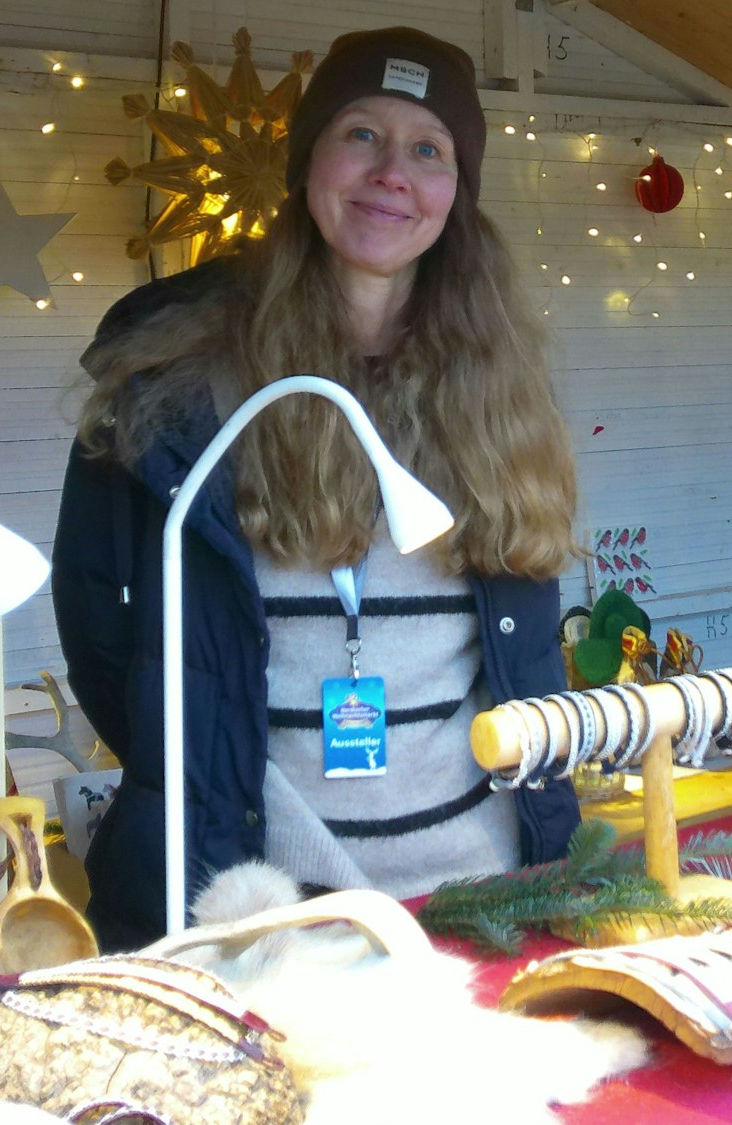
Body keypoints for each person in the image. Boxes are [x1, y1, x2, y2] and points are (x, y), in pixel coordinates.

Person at [53, 27, 582, 949]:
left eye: (428, 149)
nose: (392, 172)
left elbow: (523, 642)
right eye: (361, 135)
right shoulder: (178, 386)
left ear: (456, 193)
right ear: (307, 165)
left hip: (479, 900)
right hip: (256, 909)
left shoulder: (498, 390)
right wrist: (200, 769)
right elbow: (102, 632)